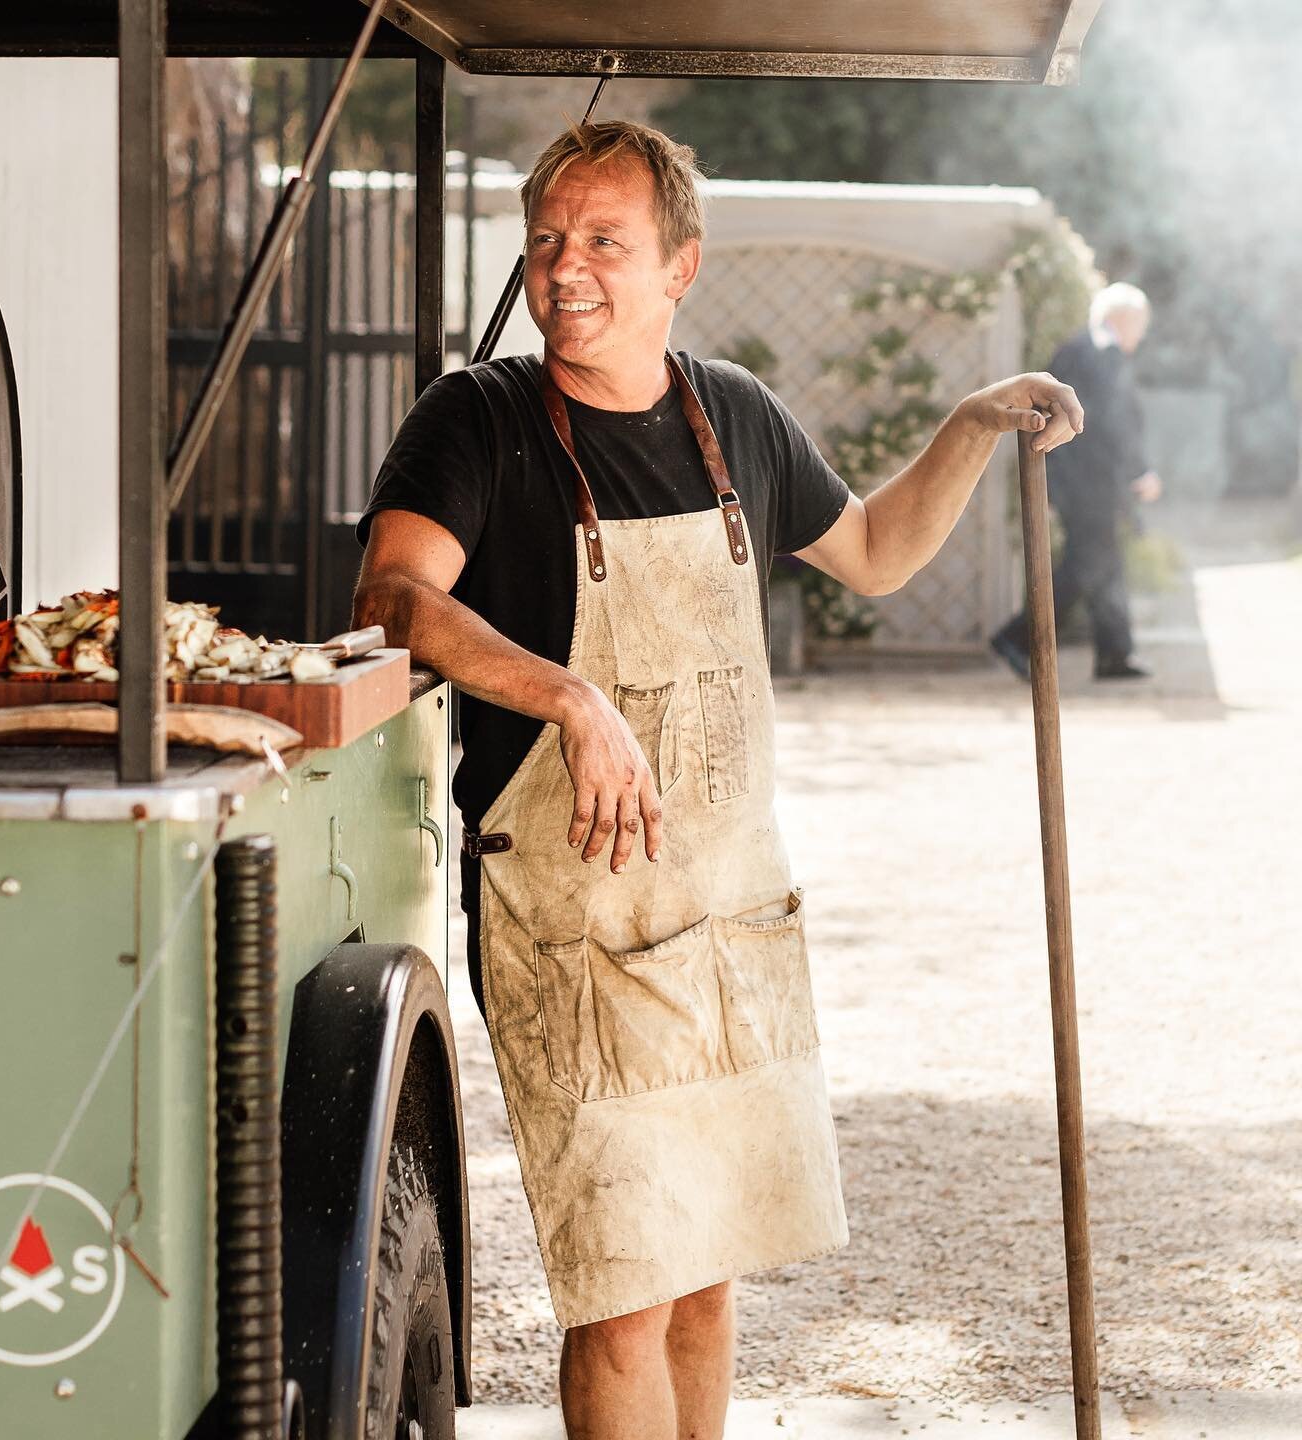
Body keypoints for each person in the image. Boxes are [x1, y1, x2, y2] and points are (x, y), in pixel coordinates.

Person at [354, 120, 1082, 1440]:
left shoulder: (730, 413)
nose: (564, 268)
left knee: (704, 1279)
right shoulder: (482, 418)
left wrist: (969, 427)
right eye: (548, 240)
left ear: (681, 263)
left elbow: (870, 552)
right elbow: (395, 597)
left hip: (726, 921)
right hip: (577, 934)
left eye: (604, 242)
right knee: (625, 1293)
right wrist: (568, 695)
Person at [991, 282, 1162, 681]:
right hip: (1092, 482)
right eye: (1141, 323)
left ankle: (1115, 654)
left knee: (1104, 561)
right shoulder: (1105, 351)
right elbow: (1113, 421)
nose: (1142, 333)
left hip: (1073, 479)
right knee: (1086, 565)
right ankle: (1015, 637)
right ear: (1125, 318)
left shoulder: (1076, 348)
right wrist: (1140, 470)